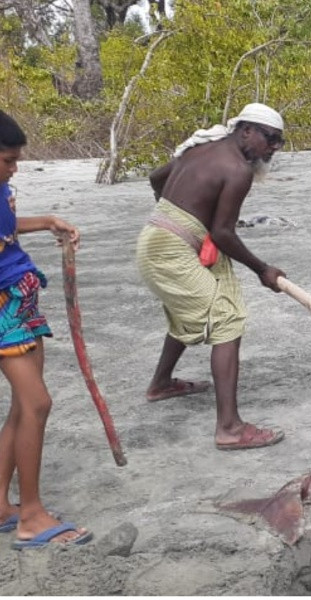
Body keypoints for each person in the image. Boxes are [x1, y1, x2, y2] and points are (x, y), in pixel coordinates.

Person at [135, 103, 287, 451]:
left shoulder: (201, 149)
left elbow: (156, 177)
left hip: (157, 238)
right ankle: (230, 428)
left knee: (199, 302)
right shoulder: (237, 169)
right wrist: (263, 270)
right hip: (171, 248)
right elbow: (222, 233)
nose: (273, 149)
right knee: (227, 319)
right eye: (270, 139)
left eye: (279, 143)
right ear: (246, 130)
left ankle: (161, 383)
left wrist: (179, 210)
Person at [0, 109, 91, 548]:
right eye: (6, 160)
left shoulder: (0, 189)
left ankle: (0, 504)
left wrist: (47, 220)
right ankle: (32, 517)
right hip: (3, 308)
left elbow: (4, 229)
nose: (14, 169)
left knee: (23, 404)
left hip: (20, 295)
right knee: (38, 403)